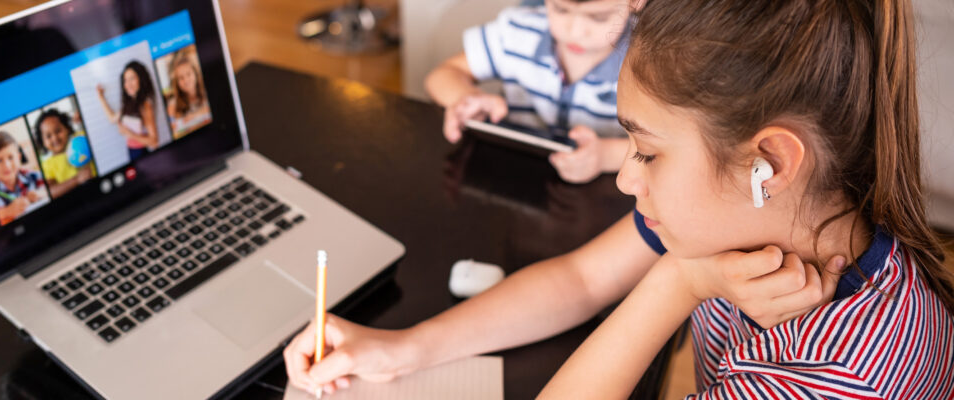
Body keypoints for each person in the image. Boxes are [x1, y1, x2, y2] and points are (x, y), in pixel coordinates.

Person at [285, 0, 954, 398]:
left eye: (648, 152)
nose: (628, 179)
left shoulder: (834, 379)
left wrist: (678, 284)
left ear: (767, 162)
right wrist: (401, 349)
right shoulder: (755, 218)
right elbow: (581, 278)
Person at [425, 0, 637, 184]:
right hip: (514, 180)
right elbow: (442, 75)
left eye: (598, 17)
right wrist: (466, 98)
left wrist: (605, 156)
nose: (574, 31)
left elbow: (666, 145)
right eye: (561, 9)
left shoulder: (648, 60)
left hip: (606, 202)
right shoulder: (516, 29)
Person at [96, 61, 160, 161]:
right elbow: (112, 118)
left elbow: (154, 141)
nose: (128, 84)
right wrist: (101, 96)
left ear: (141, 79)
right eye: (125, 80)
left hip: (142, 152)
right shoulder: (129, 104)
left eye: (132, 78)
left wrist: (129, 133)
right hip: (131, 150)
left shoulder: (145, 106)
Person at [0, 131, 46, 224]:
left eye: (11, 157)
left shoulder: (31, 175)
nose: (7, 165)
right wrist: (7, 211)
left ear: (19, 157)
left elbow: (50, 185)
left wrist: (40, 193)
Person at [35, 109, 93, 198]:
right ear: (43, 142)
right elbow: (50, 192)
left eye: (58, 131)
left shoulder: (80, 137)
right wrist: (76, 180)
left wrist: (86, 117)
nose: (54, 138)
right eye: (48, 136)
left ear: (67, 129)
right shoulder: (47, 165)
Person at [165, 49, 211, 138]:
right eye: (181, 78)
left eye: (188, 74)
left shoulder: (206, 91)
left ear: (195, 73)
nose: (185, 80)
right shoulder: (173, 104)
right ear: (177, 82)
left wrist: (194, 116)